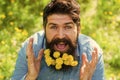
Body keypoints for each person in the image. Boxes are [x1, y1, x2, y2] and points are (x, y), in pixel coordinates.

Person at [11, 0, 104, 80]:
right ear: (44, 28)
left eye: (68, 27)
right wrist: (30, 77)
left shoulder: (92, 54)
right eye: (53, 27)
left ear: (78, 29)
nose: (60, 36)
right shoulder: (31, 50)